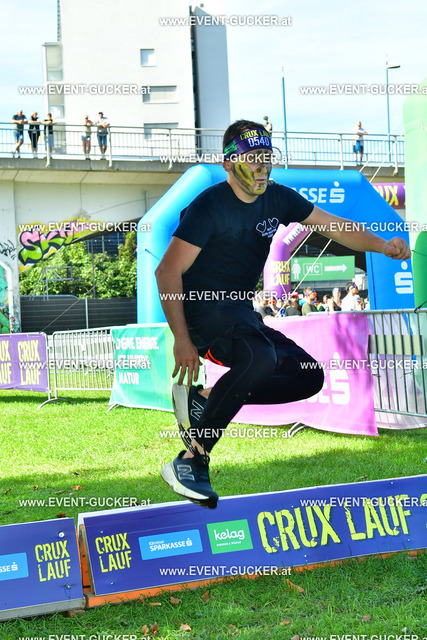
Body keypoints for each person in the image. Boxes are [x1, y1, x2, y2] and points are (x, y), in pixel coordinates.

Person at [155, 118, 410, 509]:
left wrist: (382, 245)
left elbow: (334, 226)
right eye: (252, 158)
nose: (262, 166)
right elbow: (167, 271)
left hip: (239, 312)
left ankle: (206, 398)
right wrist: (182, 340)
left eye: (267, 157)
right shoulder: (209, 206)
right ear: (228, 163)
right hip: (203, 311)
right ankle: (192, 459)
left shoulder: (278, 198)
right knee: (260, 357)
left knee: (307, 376)